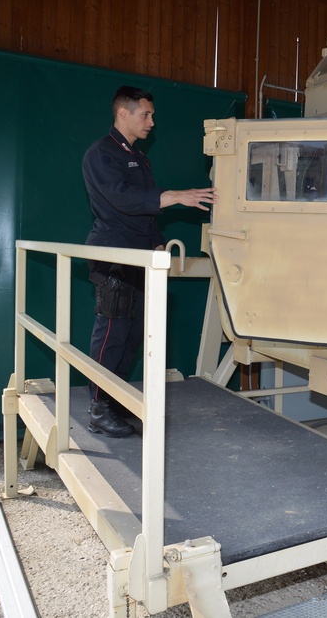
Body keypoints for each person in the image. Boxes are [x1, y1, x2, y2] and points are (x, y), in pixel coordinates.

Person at [83, 86, 218, 437]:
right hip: (114, 257)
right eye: (146, 115)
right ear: (123, 113)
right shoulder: (102, 153)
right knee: (112, 335)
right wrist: (175, 196)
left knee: (129, 339)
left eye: (153, 115)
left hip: (140, 256)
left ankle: (111, 403)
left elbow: (145, 214)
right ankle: (98, 408)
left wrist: (158, 242)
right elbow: (122, 199)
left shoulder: (138, 156)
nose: (152, 122)